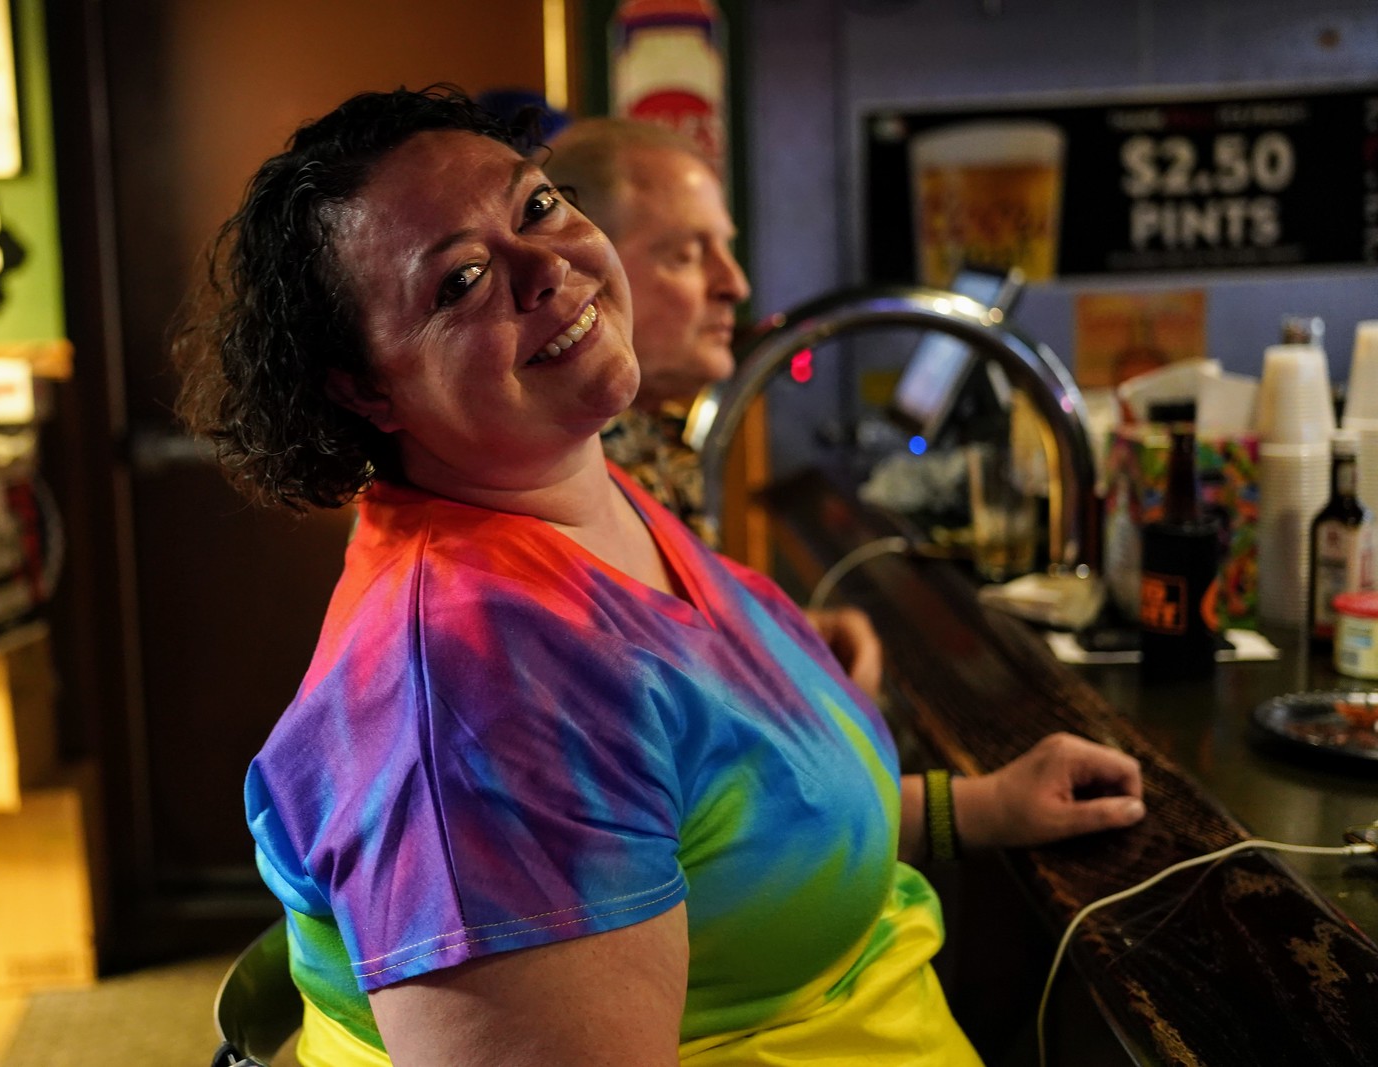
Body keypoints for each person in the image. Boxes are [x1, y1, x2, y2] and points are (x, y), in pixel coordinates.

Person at [177, 86, 1147, 1066]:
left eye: (537, 205)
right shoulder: (484, 695)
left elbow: (725, 813)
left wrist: (975, 807)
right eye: (461, 279)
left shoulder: (587, 500)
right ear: (364, 387)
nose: (547, 267)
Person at [544, 117, 884, 697]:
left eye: (725, 247)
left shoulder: (648, 433)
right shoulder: (566, 474)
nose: (735, 284)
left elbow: (693, 647)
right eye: (685, 255)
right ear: (581, 272)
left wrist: (790, 634)